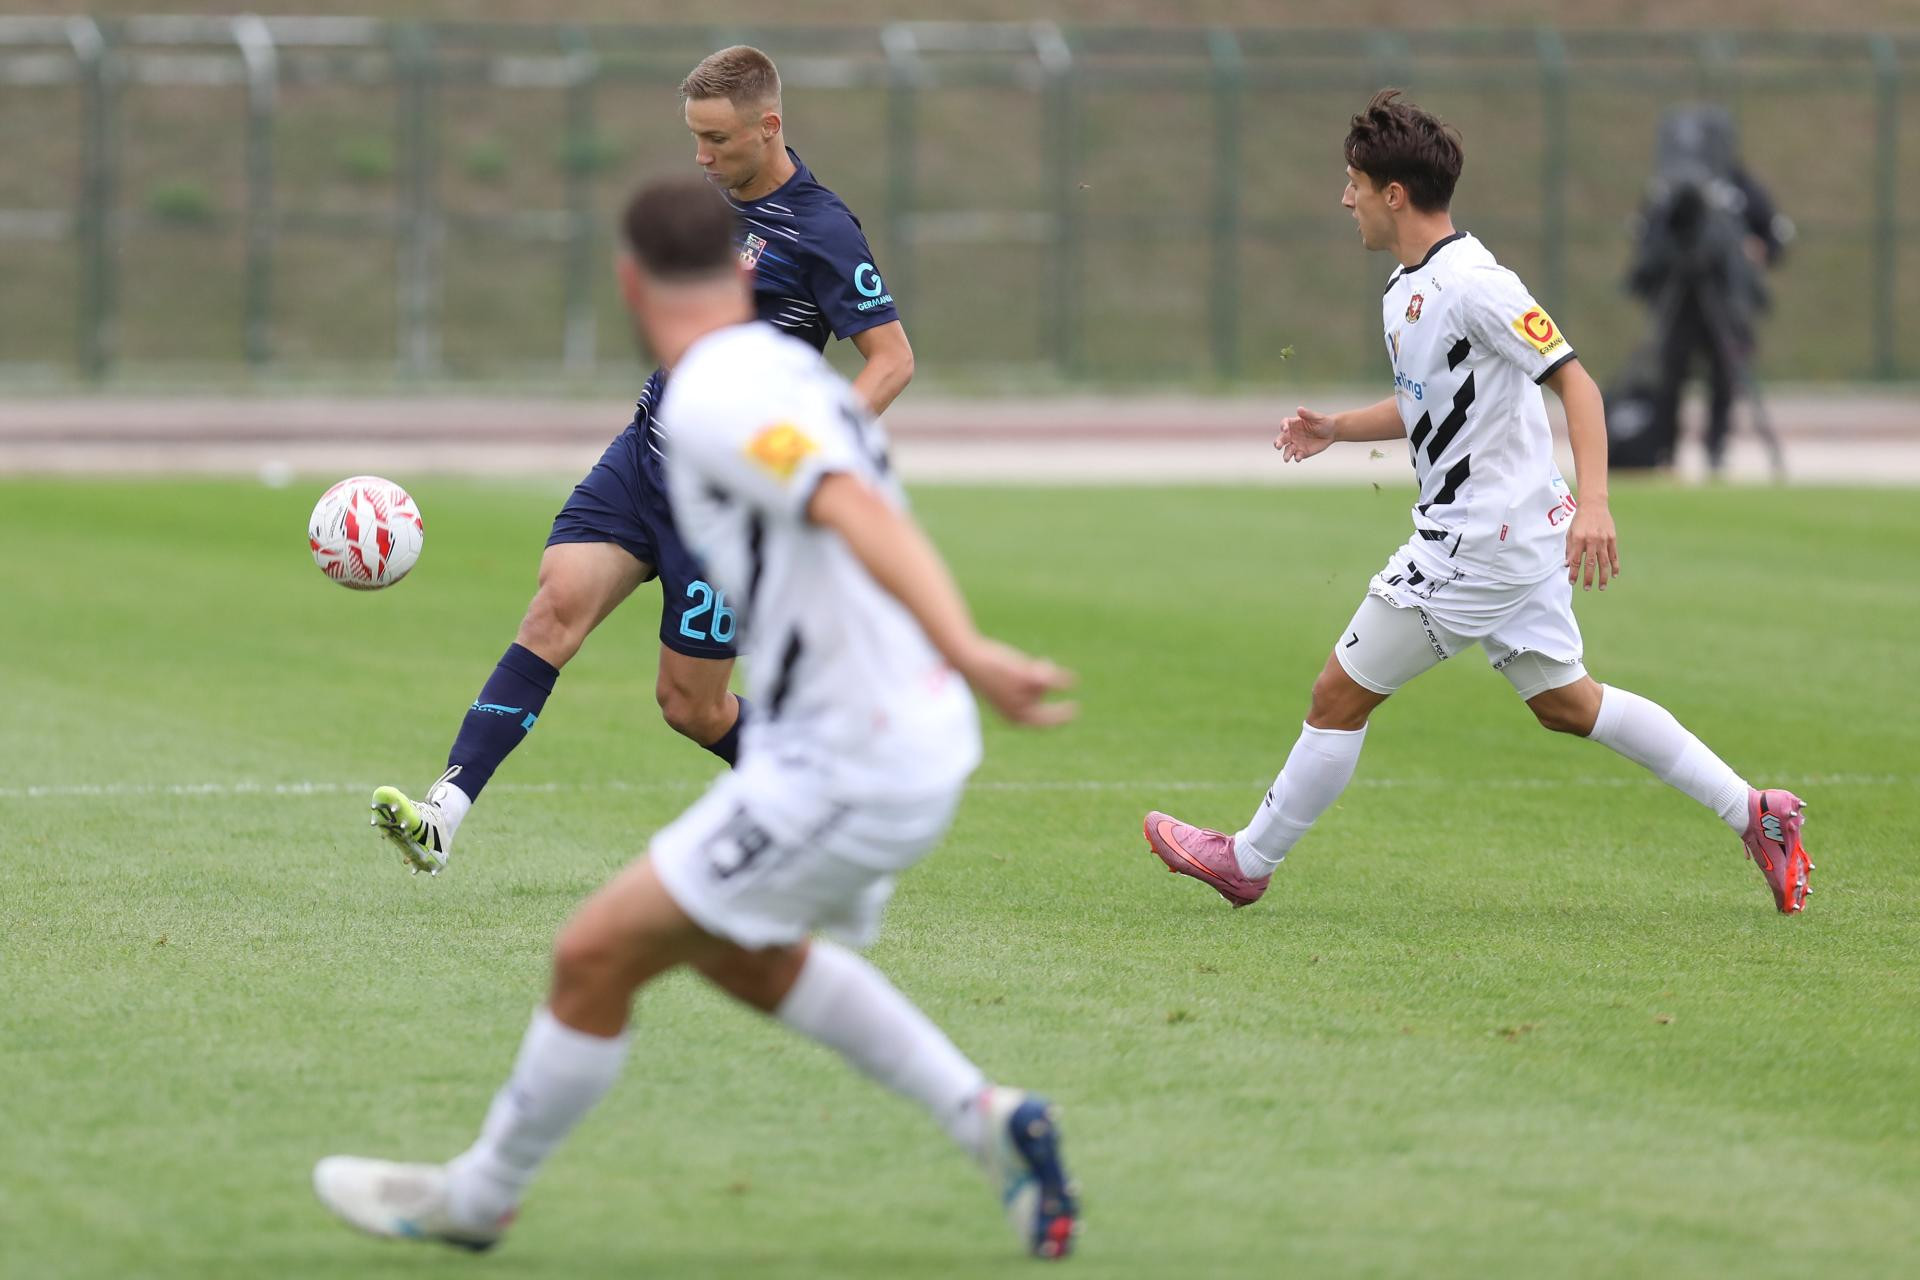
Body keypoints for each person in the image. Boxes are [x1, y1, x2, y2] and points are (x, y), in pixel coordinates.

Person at [313, 175, 1081, 1260]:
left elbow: (846, 503)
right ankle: (992, 1119)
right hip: (876, 739)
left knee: (594, 955)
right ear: (736, 272)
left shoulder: (720, 393)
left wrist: (968, 648)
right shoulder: (772, 368)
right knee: (740, 954)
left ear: (629, 284)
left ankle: (479, 1199)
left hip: (852, 756)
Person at [1141, 89, 1813, 916]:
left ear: (1394, 194)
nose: (1345, 198)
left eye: (1354, 183)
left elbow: (1577, 384)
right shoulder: (1406, 288)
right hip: (1512, 537)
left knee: (1337, 695)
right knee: (1567, 703)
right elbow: (1427, 401)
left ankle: (1247, 861)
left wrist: (1598, 502)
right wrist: (1337, 429)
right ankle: (1755, 812)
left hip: (1478, 544)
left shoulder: (1476, 284)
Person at [370, 45, 917, 875]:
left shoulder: (823, 230)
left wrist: (806, 456)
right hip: (646, 457)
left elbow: (892, 360)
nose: (701, 157)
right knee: (552, 611)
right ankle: (443, 813)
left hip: (727, 502)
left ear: (768, 127)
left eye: (717, 140)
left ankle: (825, 794)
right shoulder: (704, 209)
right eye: (694, 137)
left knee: (691, 708)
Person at [1622, 106, 1791, 472]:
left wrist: (1751, 250)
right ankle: (1665, 450)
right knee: (1669, 376)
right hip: (1678, 303)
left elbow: (1776, 238)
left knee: (1725, 376)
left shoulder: (1739, 187)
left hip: (1724, 299)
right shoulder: (1665, 190)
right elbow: (1646, 241)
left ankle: (1715, 450)